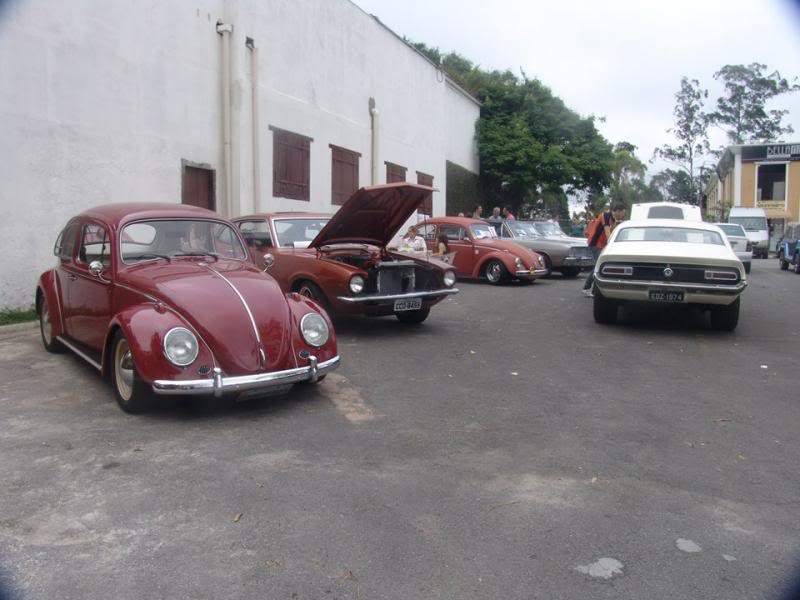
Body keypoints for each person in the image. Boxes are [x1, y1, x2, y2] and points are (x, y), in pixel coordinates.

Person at [583, 202, 626, 297]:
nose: (623, 215)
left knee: (598, 266)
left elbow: (611, 232)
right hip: (595, 244)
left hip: (601, 245)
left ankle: (593, 290)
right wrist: (612, 244)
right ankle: (586, 288)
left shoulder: (613, 219)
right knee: (597, 266)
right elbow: (607, 232)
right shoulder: (606, 215)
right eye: (623, 213)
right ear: (618, 211)